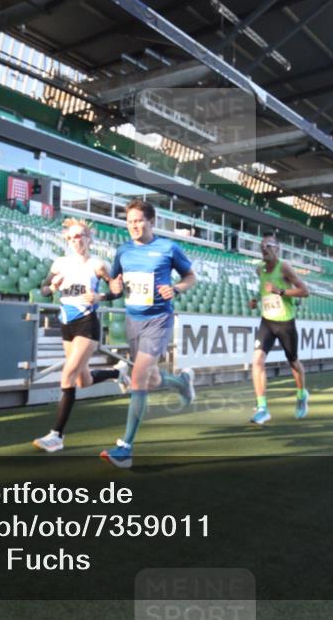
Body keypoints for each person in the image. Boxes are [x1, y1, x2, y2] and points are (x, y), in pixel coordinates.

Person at [100, 200, 197, 468]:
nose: (133, 225)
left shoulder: (168, 248)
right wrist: (113, 283)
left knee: (138, 378)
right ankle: (182, 383)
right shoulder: (123, 251)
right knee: (152, 379)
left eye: (139, 220)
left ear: (152, 221)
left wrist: (176, 288)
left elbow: (191, 277)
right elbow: (115, 283)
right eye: (129, 221)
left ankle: (126, 449)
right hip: (134, 320)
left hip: (159, 319)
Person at [32, 219, 127, 453]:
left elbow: (118, 290)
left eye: (81, 236)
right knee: (82, 381)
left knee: (68, 374)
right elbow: (42, 289)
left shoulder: (98, 264)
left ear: (89, 238)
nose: (77, 240)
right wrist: (52, 288)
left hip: (87, 323)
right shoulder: (60, 263)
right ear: (68, 240)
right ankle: (117, 372)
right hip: (66, 323)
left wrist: (100, 298)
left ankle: (57, 435)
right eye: (72, 237)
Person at [247, 233, 311, 425]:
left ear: (277, 249)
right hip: (267, 321)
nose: (264, 249)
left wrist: (281, 291)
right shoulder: (259, 270)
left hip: (285, 322)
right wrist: (256, 300)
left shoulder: (284, 267)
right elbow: (263, 290)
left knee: (293, 362)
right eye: (262, 247)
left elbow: (304, 291)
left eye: (268, 246)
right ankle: (262, 408)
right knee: (257, 360)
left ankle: (301, 395)